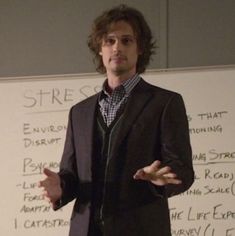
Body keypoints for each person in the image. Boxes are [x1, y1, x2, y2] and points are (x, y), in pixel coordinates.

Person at [39, 4, 194, 236]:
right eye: (109, 41)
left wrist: (160, 179)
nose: (117, 47)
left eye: (126, 40)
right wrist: (60, 187)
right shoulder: (79, 112)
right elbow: (72, 175)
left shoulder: (165, 103)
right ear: (99, 49)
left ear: (140, 48)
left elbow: (183, 171)